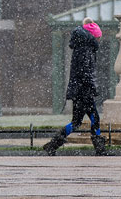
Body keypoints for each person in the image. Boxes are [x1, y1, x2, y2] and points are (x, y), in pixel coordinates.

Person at [43, 17, 107, 156]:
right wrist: (91, 88)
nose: (99, 40)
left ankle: (54, 144)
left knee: (85, 120)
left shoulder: (83, 48)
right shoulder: (85, 50)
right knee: (84, 120)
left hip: (81, 91)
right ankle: (54, 144)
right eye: (99, 37)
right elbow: (85, 73)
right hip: (83, 92)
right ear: (94, 37)